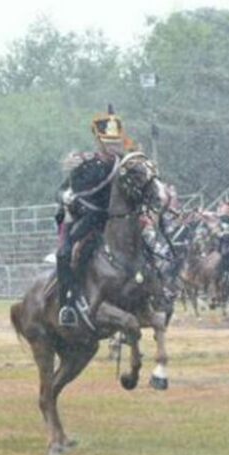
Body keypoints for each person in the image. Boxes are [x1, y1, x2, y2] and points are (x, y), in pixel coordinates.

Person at [54, 104, 137, 327]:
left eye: (116, 141)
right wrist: (69, 199)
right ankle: (68, 304)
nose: (113, 146)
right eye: (108, 142)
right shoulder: (86, 164)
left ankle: (160, 291)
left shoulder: (129, 165)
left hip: (123, 223)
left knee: (154, 247)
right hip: (90, 221)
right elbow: (61, 191)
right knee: (64, 254)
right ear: (99, 141)